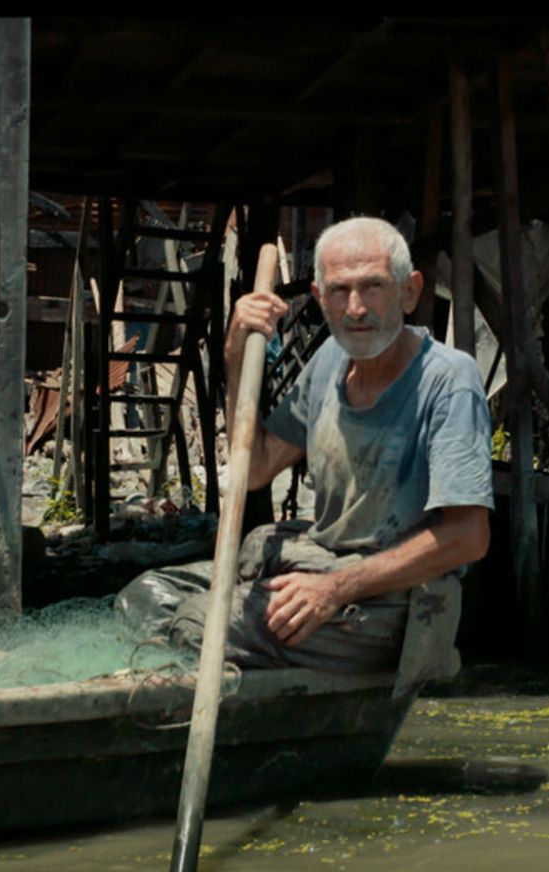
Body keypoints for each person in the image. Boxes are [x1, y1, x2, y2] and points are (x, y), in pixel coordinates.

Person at [115, 216, 494, 675]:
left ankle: (242, 685)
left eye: (373, 287)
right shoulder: (329, 361)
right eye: (339, 290)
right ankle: (223, 675)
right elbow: (255, 467)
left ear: (409, 291)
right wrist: (236, 356)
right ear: (319, 298)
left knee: (198, 624)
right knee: (145, 597)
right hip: (322, 562)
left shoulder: (448, 380)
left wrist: (335, 588)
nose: (356, 308)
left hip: (393, 602)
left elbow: (469, 537)